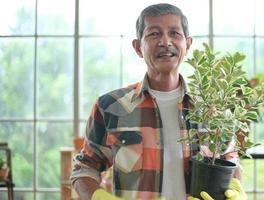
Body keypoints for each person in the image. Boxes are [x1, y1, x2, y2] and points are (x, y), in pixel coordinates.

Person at [70, 3, 246, 200]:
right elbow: (83, 169)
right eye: (154, 34)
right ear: (138, 47)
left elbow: (231, 161)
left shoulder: (212, 108)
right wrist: (99, 197)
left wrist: (235, 186)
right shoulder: (110, 107)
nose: (165, 41)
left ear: (187, 44)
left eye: (174, 33)